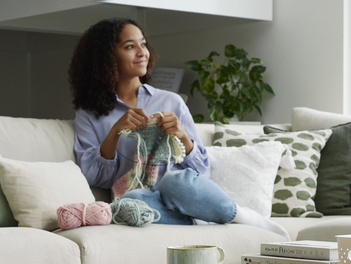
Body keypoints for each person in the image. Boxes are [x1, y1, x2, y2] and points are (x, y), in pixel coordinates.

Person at [68, 17, 289, 238]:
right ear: (106, 57)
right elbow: (95, 177)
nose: (142, 52)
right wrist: (115, 132)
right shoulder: (89, 113)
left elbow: (202, 171)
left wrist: (182, 136)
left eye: (143, 44)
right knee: (130, 201)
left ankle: (240, 215)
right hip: (146, 201)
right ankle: (199, 219)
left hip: (183, 191)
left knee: (174, 182)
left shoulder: (172, 102)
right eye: (130, 46)